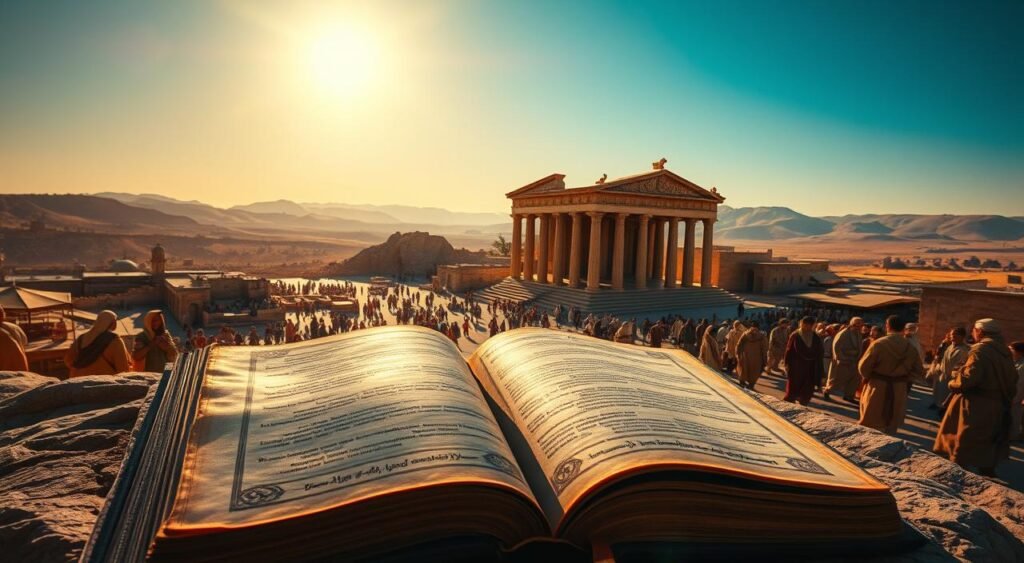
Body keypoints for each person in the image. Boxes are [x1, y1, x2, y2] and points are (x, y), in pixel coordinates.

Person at [933, 319, 1018, 477]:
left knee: (964, 440)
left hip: (974, 404)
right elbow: (1012, 379)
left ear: (980, 332)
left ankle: (958, 476)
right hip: (996, 404)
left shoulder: (980, 350)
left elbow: (968, 379)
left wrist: (954, 381)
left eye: (974, 330)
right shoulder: (1004, 351)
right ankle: (986, 469)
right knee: (988, 439)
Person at [857, 315, 925, 435]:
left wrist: (869, 377)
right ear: (903, 328)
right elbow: (919, 370)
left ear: (887, 326)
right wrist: (904, 378)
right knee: (891, 425)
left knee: (871, 423)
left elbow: (863, 367)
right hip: (898, 388)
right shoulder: (910, 347)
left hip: (877, 387)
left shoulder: (879, 343)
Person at [64, 310, 131, 377]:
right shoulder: (114, 340)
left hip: (78, 380)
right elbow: (123, 368)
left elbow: (68, 360)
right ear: (112, 323)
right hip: (102, 382)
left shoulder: (81, 338)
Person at [783, 317, 825, 406]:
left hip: (811, 367)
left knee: (808, 387)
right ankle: (789, 403)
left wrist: (820, 370)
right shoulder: (795, 335)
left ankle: (803, 402)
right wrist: (787, 364)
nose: (807, 327)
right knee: (794, 385)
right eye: (805, 324)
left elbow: (820, 353)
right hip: (796, 366)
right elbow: (789, 351)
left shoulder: (816, 337)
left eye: (810, 325)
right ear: (801, 324)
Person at [926, 327, 969, 411]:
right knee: (938, 390)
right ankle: (937, 403)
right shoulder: (950, 346)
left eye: (954, 334)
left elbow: (959, 365)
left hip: (951, 376)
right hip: (942, 373)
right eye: (951, 334)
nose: (952, 336)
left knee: (946, 393)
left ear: (961, 336)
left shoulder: (963, 350)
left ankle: (943, 408)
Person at [823, 317, 864, 402]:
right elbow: (836, 346)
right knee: (836, 379)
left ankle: (849, 396)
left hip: (854, 361)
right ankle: (827, 391)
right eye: (857, 325)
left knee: (853, 379)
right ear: (852, 324)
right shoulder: (844, 333)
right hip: (842, 361)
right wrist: (840, 358)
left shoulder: (858, 334)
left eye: (860, 325)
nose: (858, 327)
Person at [736, 321, 768, 390]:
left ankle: (742, 382)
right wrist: (765, 359)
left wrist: (738, 354)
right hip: (757, 357)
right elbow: (764, 348)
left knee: (744, 369)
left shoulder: (745, 334)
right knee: (755, 371)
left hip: (745, 356)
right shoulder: (762, 336)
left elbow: (739, 345)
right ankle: (751, 385)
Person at [1010, 341, 1024, 441]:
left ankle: (1013, 437)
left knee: (1014, 418)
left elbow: (1020, 384)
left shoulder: (1022, 366)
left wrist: (1014, 399)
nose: (1010, 352)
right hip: (1010, 395)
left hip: (1015, 398)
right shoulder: (1014, 362)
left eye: (1012, 350)